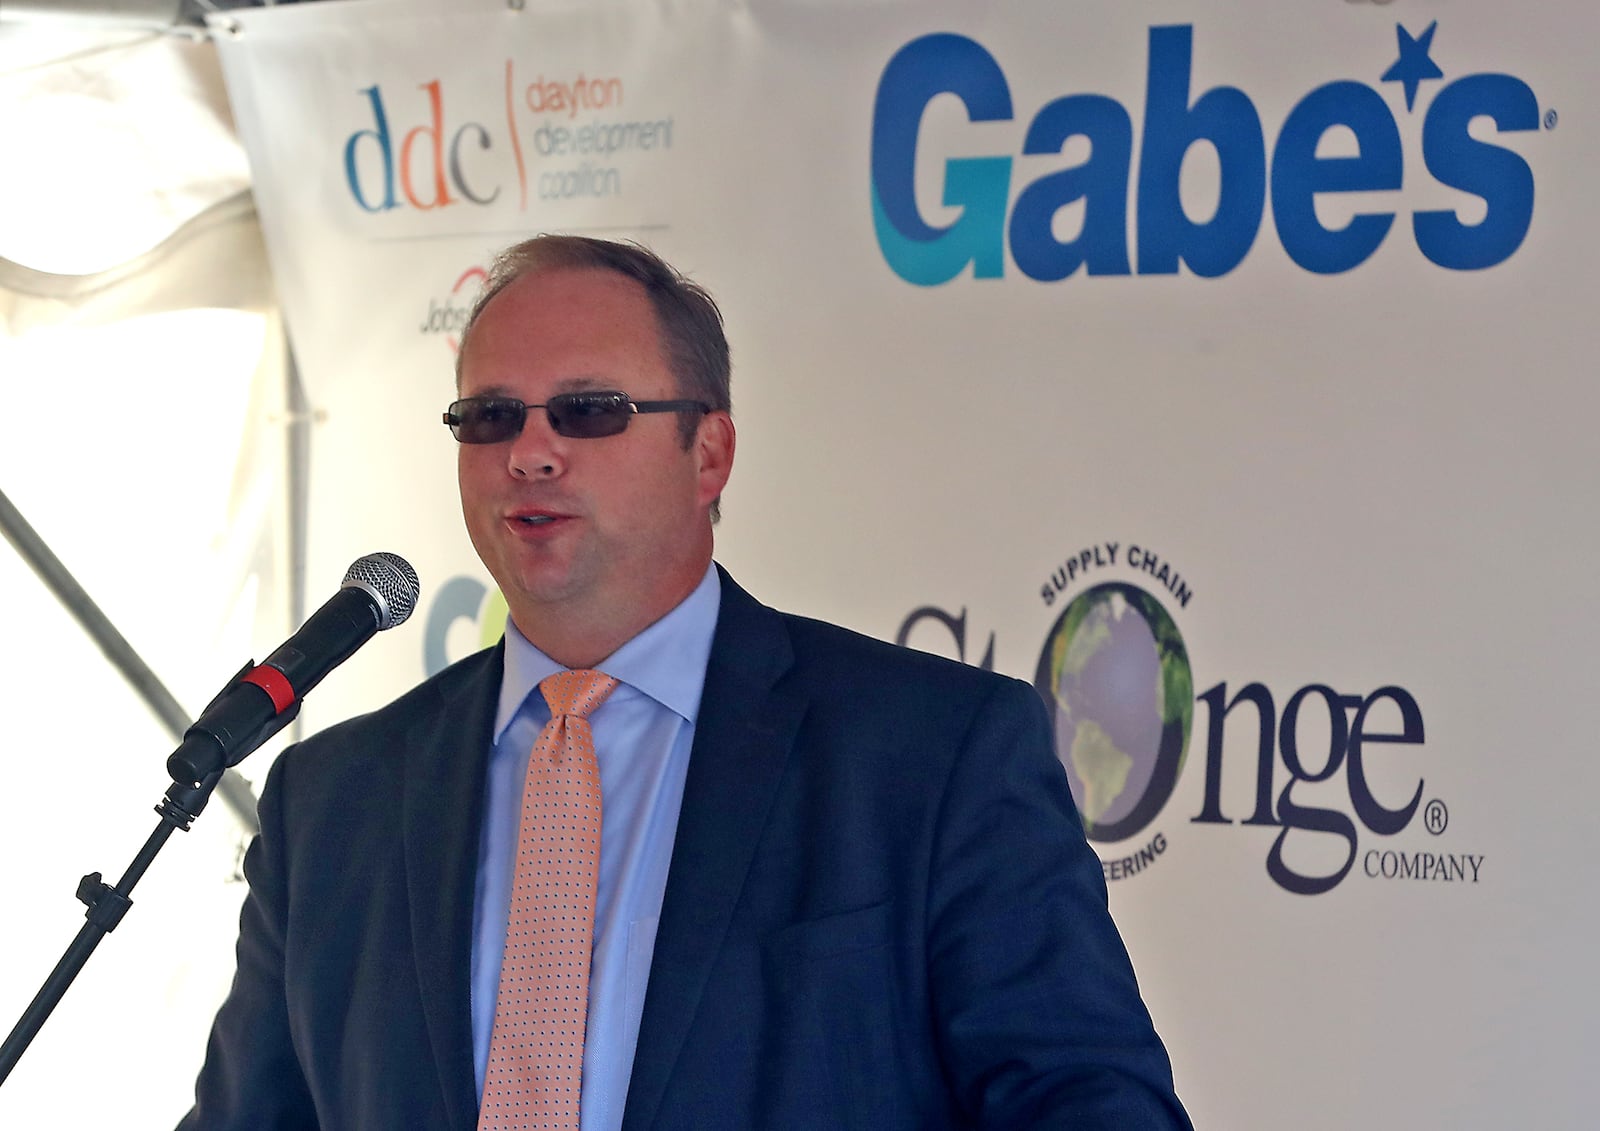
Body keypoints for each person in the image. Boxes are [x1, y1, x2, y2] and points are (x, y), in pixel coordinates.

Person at [179, 235, 1193, 1130]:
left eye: (587, 411)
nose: (529, 453)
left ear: (708, 453)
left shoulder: (930, 755)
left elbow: (1088, 1104)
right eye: (489, 417)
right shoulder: (333, 803)